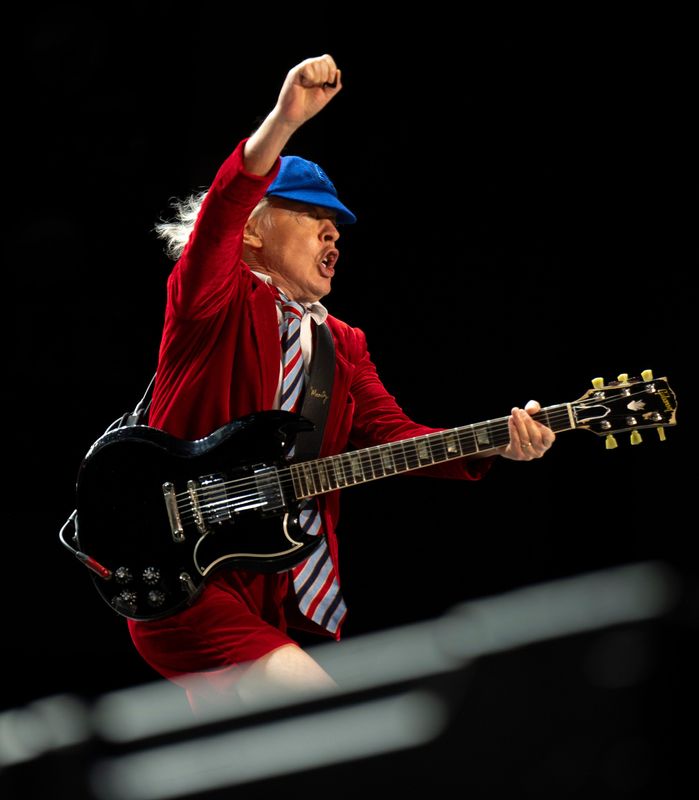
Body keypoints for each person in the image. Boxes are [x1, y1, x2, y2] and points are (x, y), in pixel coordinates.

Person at [127, 54, 556, 710]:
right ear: (253, 232)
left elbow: (398, 438)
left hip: (271, 584)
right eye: (310, 216)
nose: (333, 233)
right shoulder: (211, 299)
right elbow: (220, 209)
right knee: (337, 713)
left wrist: (500, 439)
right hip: (182, 573)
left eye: (337, 228)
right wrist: (284, 120)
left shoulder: (343, 343)